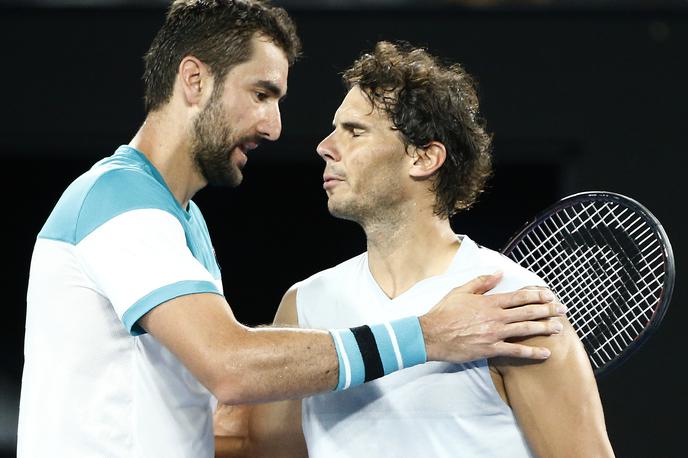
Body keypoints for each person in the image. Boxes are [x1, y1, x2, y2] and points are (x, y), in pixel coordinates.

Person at [17, 2, 566, 457]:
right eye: (262, 94)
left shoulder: (183, 221)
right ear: (194, 79)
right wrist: (428, 335)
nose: (276, 127)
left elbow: (212, 415)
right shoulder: (120, 201)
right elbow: (230, 365)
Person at [213, 41, 615, 457]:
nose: (325, 146)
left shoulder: (514, 307)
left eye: (354, 131)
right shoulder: (304, 305)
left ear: (424, 158)